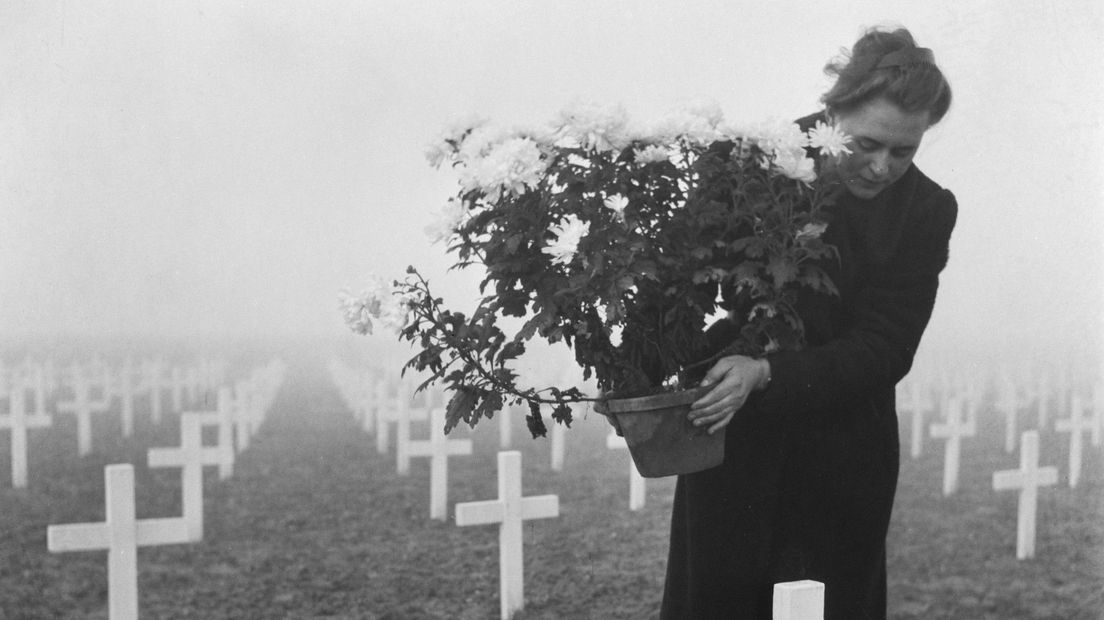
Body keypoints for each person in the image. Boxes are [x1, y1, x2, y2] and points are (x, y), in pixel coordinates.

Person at [660, 27, 957, 619]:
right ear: (833, 111)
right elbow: (680, 283)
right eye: (867, 143)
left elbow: (885, 347)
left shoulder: (927, 210)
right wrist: (648, 364)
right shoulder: (751, 165)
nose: (880, 167)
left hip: (844, 445)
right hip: (738, 437)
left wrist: (768, 372)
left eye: (904, 152)